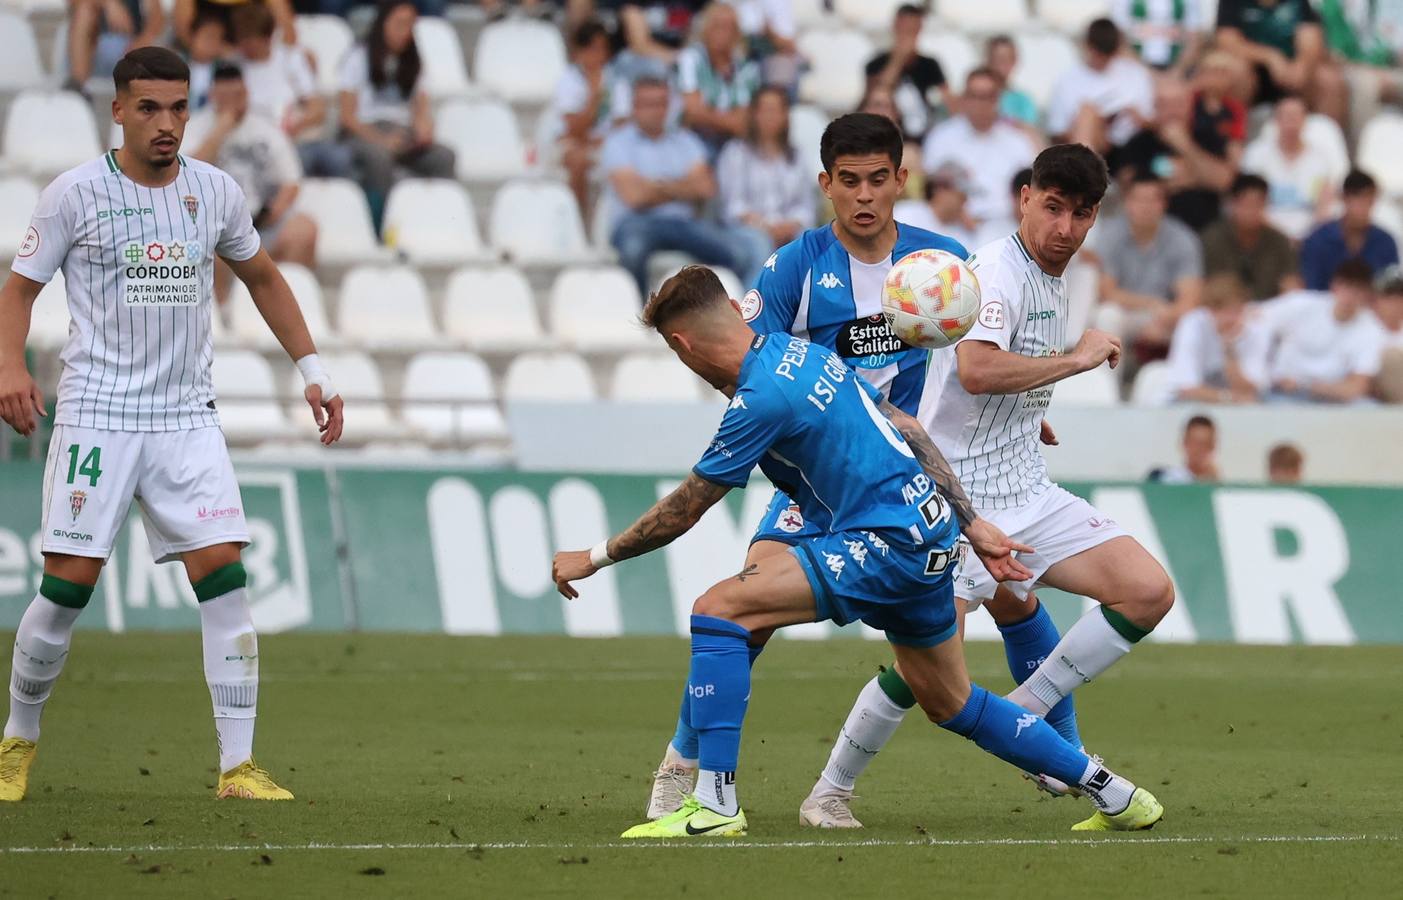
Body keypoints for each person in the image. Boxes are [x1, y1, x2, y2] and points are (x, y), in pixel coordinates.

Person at [552, 266, 1165, 839]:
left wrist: (595, 556)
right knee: (951, 702)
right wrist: (972, 525)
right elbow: (910, 428)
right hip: (930, 539)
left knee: (720, 610)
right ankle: (1112, 792)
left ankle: (714, 803)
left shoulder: (759, 398)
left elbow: (683, 510)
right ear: (739, 313)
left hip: (883, 543)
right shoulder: (808, 356)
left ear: (683, 346)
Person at [638, 116, 1092, 830]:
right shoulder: (793, 267)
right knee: (747, 615)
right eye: (847, 181)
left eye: (877, 179)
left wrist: (1020, 411)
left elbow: (970, 359)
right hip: (816, 483)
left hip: (908, 483)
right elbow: (739, 368)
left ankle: (1060, 754)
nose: (863, 195)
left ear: (899, 180)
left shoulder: (941, 263)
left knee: (1010, 596)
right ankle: (682, 764)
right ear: (826, 185)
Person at [0, 47, 344, 804]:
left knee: (224, 580)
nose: (167, 124)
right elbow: (18, 290)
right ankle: (16, 742)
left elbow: (262, 277)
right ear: (117, 110)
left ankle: (237, 767)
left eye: (179, 107)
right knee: (68, 587)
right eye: (149, 108)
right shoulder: (73, 195)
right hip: (98, 414)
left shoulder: (215, 192)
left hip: (186, 417)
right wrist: (10, 368)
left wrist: (313, 370)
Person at [801, 144, 1178, 826]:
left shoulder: (1051, 272)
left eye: (1080, 214)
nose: (1063, 227)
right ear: (1025, 198)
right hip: (955, 504)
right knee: (921, 669)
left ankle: (1026, 715)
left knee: (1146, 591)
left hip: (1025, 487)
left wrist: (1029, 415)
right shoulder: (998, 272)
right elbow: (976, 369)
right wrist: (1077, 361)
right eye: (1052, 208)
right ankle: (829, 791)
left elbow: (988, 378)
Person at [602, 77, 762, 297]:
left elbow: (706, 188)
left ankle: (726, 318)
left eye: (660, 103)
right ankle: (638, 316)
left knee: (739, 254)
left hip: (684, 223)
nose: (655, 110)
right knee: (632, 250)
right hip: (636, 222)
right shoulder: (618, 142)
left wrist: (655, 186)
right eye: (648, 104)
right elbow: (634, 197)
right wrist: (682, 188)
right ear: (635, 107)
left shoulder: (686, 140)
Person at [186, 63, 319, 287]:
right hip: (213, 226)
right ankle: (224, 312)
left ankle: (273, 292)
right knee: (209, 245)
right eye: (224, 96)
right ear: (212, 94)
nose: (232, 102)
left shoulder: (266, 129)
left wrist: (272, 213)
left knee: (304, 229)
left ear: (246, 93)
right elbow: (187, 176)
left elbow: (291, 182)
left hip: (260, 222)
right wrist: (222, 127)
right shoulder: (194, 127)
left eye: (237, 95)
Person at [336, 0, 456, 232]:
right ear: (383, 24)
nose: (406, 31)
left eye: (411, 25)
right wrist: (381, 140)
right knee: (379, 158)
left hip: (400, 133)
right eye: (400, 24)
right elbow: (347, 117)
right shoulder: (358, 56)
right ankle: (379, 227)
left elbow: (421, 109)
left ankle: (441, 224)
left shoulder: (414, 60)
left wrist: (423, 129)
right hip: (365, 132)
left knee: (444, 156)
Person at [1094, 172, 1204, 360]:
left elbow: (1191, 297)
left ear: (1164, 204)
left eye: (1153, 200)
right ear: (1127, 202)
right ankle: (1107, 387)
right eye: (1139, 200)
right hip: (1127, 312)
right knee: (1107, 315)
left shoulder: (1183, 239)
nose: (1146, 207)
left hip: (1166, 316)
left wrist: (1167, 317)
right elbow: (1107, 292)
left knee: (1194, 321)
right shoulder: (1110, 235)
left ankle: (1184, 385)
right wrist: (1151, 305)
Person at [1107, 76, 1240, 231]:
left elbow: (1225, 181)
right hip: (1152, 232)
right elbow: (1127, 184)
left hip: (1204, 231)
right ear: (1155, 107)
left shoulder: (1207, 137)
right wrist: (1187, 179)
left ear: (1190, 106)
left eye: (1178, 104)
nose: (1172, 111)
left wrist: (1184, 145)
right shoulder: (1139, 142)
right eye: (1165, 104)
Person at [921, 69, 1036, 237]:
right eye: (974, 96)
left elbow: (1029, 191)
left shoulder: (1018, 142)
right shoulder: (941, 137)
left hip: (1005, 227)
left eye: (987, 97)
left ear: (997, 99)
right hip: (952, 226)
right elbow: (930, 189)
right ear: (964, 99)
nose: (980, 104)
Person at [1260, 259, 1385, 402]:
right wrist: (1265, 373)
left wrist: (1307, 385)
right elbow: (1255, 317)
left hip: (1333, 400)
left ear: (1367, 294)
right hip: (1282, 394)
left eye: (1358, 290)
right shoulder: (1302, 304)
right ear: (1334, 285)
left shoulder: (1372, 329)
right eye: (1346, 286)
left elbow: (1357, 387)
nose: (1350, 295)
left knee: (1369, 408)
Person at [715, 86, 814, 258]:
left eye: (776, 110)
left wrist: (791, 224)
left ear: (785, 116)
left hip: (789, 228)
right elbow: (733, 206)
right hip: (746, 230)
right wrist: (765, 227)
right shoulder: (735, 153)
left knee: (808, 243)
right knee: (760, 243)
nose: (770, 117)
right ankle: (757, 286)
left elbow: (806, 205)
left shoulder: (796, 156)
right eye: (765, 110)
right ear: (753, 114)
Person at [543, 18, 627, 215]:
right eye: (591, 49)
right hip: (572, 144)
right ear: (579, 52)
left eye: (601, 49)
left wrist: (600, 140)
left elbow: (623, 125)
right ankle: (579, 220)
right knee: (578, 160)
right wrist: (594, 98)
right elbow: (574, 130)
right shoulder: (568, 80)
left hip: (605, 144)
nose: (597, 56)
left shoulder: (616, 80)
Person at [1214, 0, 1345, 125]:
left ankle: (1326, 142)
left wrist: (1302, 65)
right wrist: (1270, 57)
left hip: (1291, 73)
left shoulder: (1298, 3)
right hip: (1252, 73)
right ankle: (1230, 141)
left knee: (1329, 81)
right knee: (1233, 72)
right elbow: (1227, 41)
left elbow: (1310, 36)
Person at [1241, 95, 1346, 240]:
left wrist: (1309, 236)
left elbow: (1325, 203)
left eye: (1296, 117)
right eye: (1286, 116)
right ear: (1276, 121)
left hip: (1309, 232)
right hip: (1265, 232)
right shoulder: (1256, 155)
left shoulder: (1320, 159)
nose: (1291, 123)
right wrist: (1281, 238)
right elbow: (1249, 200)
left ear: (1305, 121)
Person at [1045, 19, 1155, 154]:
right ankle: (1088, 169)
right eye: (1098, 54)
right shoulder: (1066, 81)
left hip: (1131, 147)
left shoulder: (1136, 74)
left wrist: (1135, 116)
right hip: (1089, 146)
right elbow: (1057, 133)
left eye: (1107, 56)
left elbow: (1153, 123)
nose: (1101, 60)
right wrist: (1088, 125)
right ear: (1087, 46)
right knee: (1087, 112)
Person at [1164, 274, 1268, 402]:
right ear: (1209, 310)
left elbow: (1250, 390)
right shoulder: (1192, 324)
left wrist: (1229, 348)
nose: (1230, 318)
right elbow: (1186, 389)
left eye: (1236, 311)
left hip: (1234, 407)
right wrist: (1229, 398)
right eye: (1223, 311)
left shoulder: (1255, 328)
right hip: (1189, 404)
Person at [676, 3, 760, 158]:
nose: (721, 32)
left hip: (734, 144)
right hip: (694, 139)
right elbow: (693, 112)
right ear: (705, 29)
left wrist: (708, 115)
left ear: (737, 33)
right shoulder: (691, 58)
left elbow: (744, 121)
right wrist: (730, 121)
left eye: (728, 27)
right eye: (717, 26)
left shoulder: (746, 68)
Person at [864, 4, 952, 145]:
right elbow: (873, 98)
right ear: (894, 27)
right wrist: (898, 59)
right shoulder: (876, 64)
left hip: (925, 138)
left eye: (912, 30)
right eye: (904, 29)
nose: (908, 35)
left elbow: (949, 103)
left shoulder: (930, 65)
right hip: (886, 137)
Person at [1202, 174, 1300, 301]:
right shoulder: (1211, 239)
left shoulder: (1279, 241)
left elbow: (1290, 284)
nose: (1251, 211)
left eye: (1258, 204)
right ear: (1231, 204)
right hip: (1223, 311)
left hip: (1269, 312)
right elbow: (1206, 287)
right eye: (1246, 204)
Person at [1299, 170, 1400, 291]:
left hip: (1371, 307)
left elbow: (1390, 289)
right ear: (1344, 198)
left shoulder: (1385, 242)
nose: (1364, 206)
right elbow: (1312, 287)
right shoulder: (1318, 240)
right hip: (1325, 305)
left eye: (1369, 200)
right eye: (1358, 199)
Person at [1319, 0, 1403, 141]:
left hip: (1388, 67)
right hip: (1349, 68)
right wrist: (1371, 70)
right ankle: (1365, 155)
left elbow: (1396, 46)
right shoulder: (1331, 5)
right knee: (1366, 86)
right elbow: (1334, 55)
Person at [65, 0, 165, 95]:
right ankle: (78, 88)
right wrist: (108, 3)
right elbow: (74, 4)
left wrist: (143, 41)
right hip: (90, 52)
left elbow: (156, 17)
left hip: (128, 50)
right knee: (84, 11)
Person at [894, 166, 977, 250]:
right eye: (961, 195)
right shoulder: (906, 212)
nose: (965, 200)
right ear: (941, 190)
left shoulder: (962, 234)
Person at [1112, 0, 1205, 73]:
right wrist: (1147, 75)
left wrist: (1176, 73)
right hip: (1134, 72)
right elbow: (1118, 41)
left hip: (1176, 74)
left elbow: (1195, 38)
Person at [984, 35, 1039, 129]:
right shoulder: (976, 97)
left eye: (1009, 59)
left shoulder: (1023, 100)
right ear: (988, 60)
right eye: (999, 59)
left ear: (1015, 61)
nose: (1004, 65)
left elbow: (1029, 133)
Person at [1148, 415, 1219, 483]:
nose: (1200, 449)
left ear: (1213, 446)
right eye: (1195, 443)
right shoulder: (1163, 478)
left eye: (1206, 444)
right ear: (1184, 443)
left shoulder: (1217, 485)